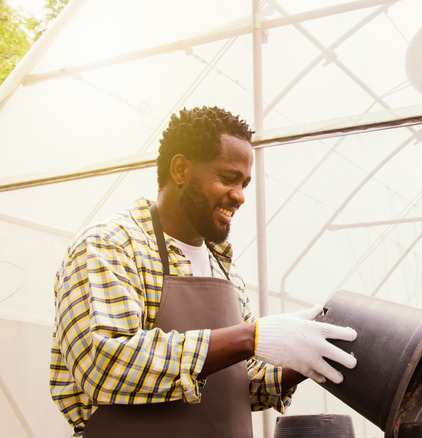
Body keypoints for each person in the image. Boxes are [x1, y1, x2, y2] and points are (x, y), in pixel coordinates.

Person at [49, 106, 358, 438]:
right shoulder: (111, 245)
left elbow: (236, 387)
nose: (239, 196)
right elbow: (106, 368)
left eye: (244, 183)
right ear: (181, 169)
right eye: (227, 178)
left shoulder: (222, 265)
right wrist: (251, 337)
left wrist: (306, 359)